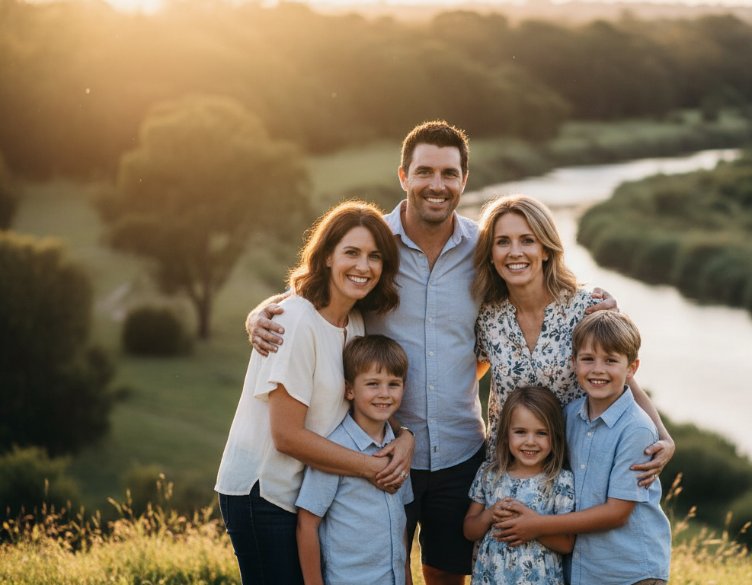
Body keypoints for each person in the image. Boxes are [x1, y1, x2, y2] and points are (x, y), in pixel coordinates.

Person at [245, 120, 619, 585]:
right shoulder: (374, 244)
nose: (436, 185)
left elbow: (526, 296)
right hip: (380, 452)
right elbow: (319, 286)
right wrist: (261, 310)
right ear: (403, 176)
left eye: (448, 173)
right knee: (379, 569)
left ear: (464, 179)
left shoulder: (483, 249)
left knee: (445, 573)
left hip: (460, 455)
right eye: (424, 172)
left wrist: (592, 302)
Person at [215, 200, 402, 585]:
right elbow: (286, 436)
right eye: (351, 252)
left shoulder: (353, 320)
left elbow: (362, 404)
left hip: (301, 491)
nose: (363, 267)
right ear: (328, 256)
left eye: (374, 256)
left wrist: (407, 438)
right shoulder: (296, 321)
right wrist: (371, 468)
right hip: (262, 492)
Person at [473, 194, 675, 484]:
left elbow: (621, 378)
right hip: (506, 471)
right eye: (503, 241)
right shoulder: (487, 315)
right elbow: (472, 371)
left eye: (527, 240)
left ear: (546, 249)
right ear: (491, 254)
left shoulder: (585, 308)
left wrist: (664, 436)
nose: (515, 251)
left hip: (573, 468)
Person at [492, 311, 671, 585]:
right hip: (583, 570)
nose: (597, 369)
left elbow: (617, 513)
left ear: (631, 369)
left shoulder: (636, 429)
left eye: (610, 361)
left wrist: (536, 525)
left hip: (630, 571)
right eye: (588, 359)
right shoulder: (569, 415)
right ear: (573, 362)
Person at [296, 335, 413, 585]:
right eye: (373, 384)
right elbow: (306, 525)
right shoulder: (335, 451)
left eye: (394, 384)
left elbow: (400, 522)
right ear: (350, 389)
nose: (384, 394)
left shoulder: (400, 450)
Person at [463, 386, 575, 585]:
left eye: (541, 433)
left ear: (555, 436)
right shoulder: (489, 474)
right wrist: (490, 515)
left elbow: (567, 544)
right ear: (506, 436)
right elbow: (469, 530)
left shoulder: (560, 480)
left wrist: (534, 528)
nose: (530, 441)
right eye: (521, 432)